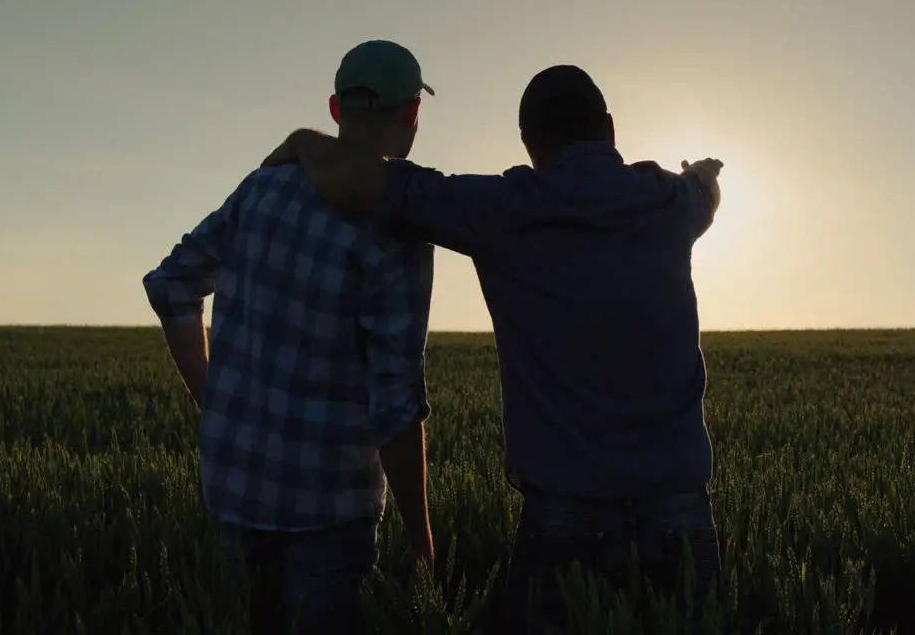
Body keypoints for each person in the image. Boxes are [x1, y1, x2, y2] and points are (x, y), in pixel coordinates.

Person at [262, 64, 726, 633]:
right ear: (608, 127)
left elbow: (363, 183)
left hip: (565, 515)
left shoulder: (502, 207)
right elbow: (705, 192)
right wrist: (702, 173)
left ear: (529, 143)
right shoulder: (670, 201)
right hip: (681, 508)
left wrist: (304, 140)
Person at [142, 40, 438, 635]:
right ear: (412, 114)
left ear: (335, 107)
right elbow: (395, 404)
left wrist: (211, 398)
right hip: (330, 510)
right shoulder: (397, 228)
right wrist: (420, 533)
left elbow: (172, 285)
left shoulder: (263, 188)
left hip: (234, 488)